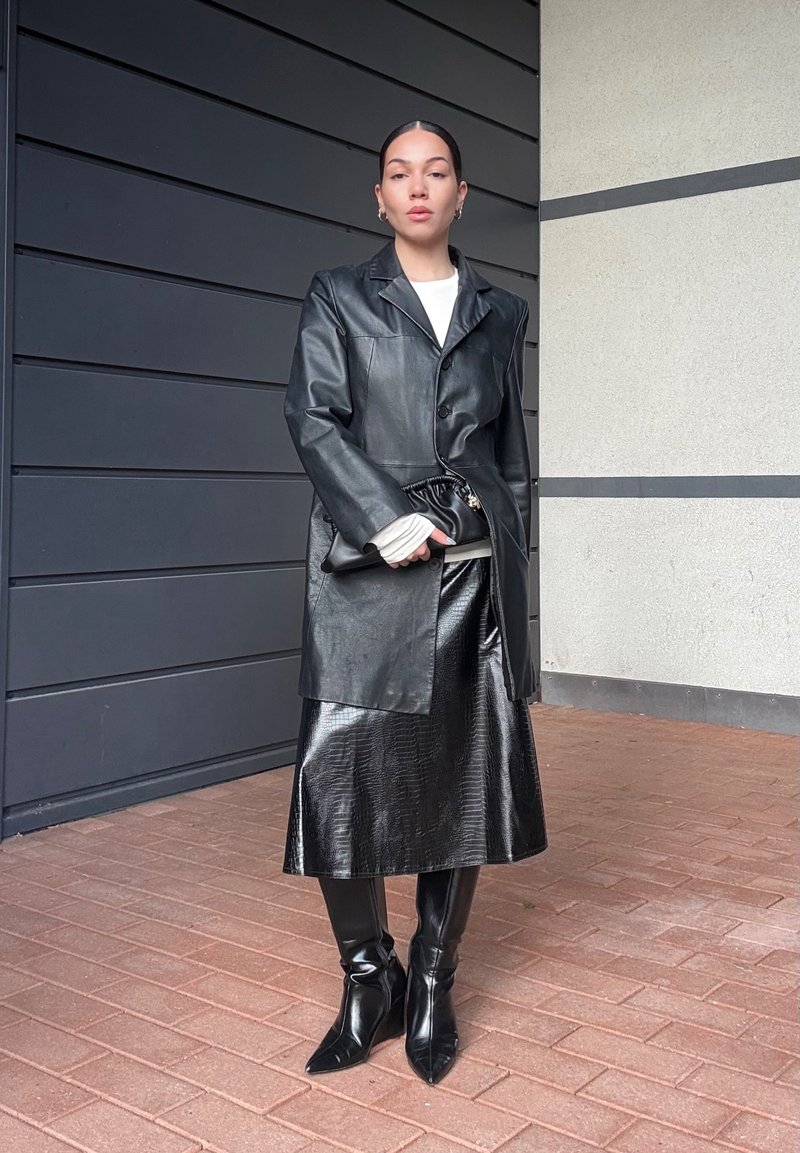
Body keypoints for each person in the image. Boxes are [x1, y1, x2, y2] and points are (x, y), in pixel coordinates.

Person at [283, 120, 546, 1085]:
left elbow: (508, 457)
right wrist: (382, 518)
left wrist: (511, 556)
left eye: (438, 171)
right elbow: (311, 415)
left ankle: (433, 979)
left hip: (474, 573)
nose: (419, 186)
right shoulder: (339, 297)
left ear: (463, 194)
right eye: (400, 172)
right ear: (380, 197)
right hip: (367, 571)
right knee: (335, 779)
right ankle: (368, 980)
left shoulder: (500, 312)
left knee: (457, 783)